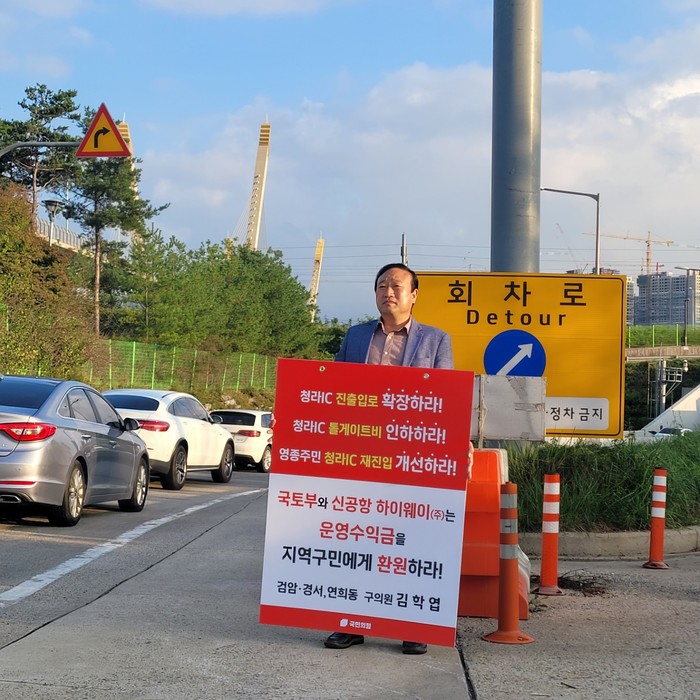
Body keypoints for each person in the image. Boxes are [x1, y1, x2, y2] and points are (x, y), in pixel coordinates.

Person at [324, 262, 466, 656]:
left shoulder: (436, 340)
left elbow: (445, 400)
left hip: (411, 458)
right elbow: (331, 387)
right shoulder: (355, 337)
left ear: (414, 295)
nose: (388, 291)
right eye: (382, 285)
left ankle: (410, 625)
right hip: (360, 456)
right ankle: (351, 623)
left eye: (397, 285)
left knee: (408, 541)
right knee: (357, 539)